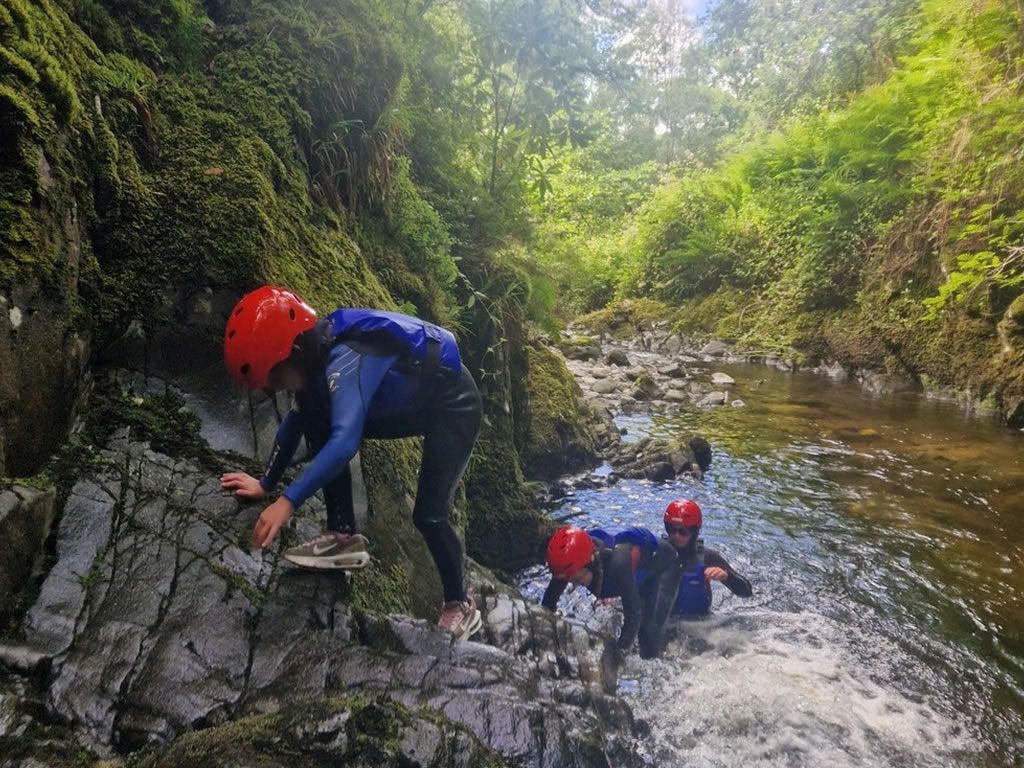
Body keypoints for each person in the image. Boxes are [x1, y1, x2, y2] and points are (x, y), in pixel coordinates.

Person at [219, 286, 483, 639]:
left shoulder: (348, 358)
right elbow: (294, 422)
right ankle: (342, 537)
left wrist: (287, 501)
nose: (276, 388)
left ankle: (460, 605)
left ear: (293, 353)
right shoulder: (310, 366)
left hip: (454, 406)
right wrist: (266, 484)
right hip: (411, 406)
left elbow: (345, 443)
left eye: (276, 378)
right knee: (315, 417)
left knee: (429, 514)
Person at [542, 525, 681, 658]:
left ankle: (671, 648)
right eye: (567, 580)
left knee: (647, 637)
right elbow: (547, 604)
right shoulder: (569, 564)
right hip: (635, 573)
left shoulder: (618, 565)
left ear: (590, 562)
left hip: (665, 568)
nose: (573, 583)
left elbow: (634, 615)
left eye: (577, 578)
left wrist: (617, 656)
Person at [662, 499, 752, 616]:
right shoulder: (655, 553)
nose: (676, 535)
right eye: (671, 529)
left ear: (695, 531)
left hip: (700, 624)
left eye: (683, 531)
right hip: (661, 623)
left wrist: (727, 577)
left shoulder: (707, 557)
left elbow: (747, 592)